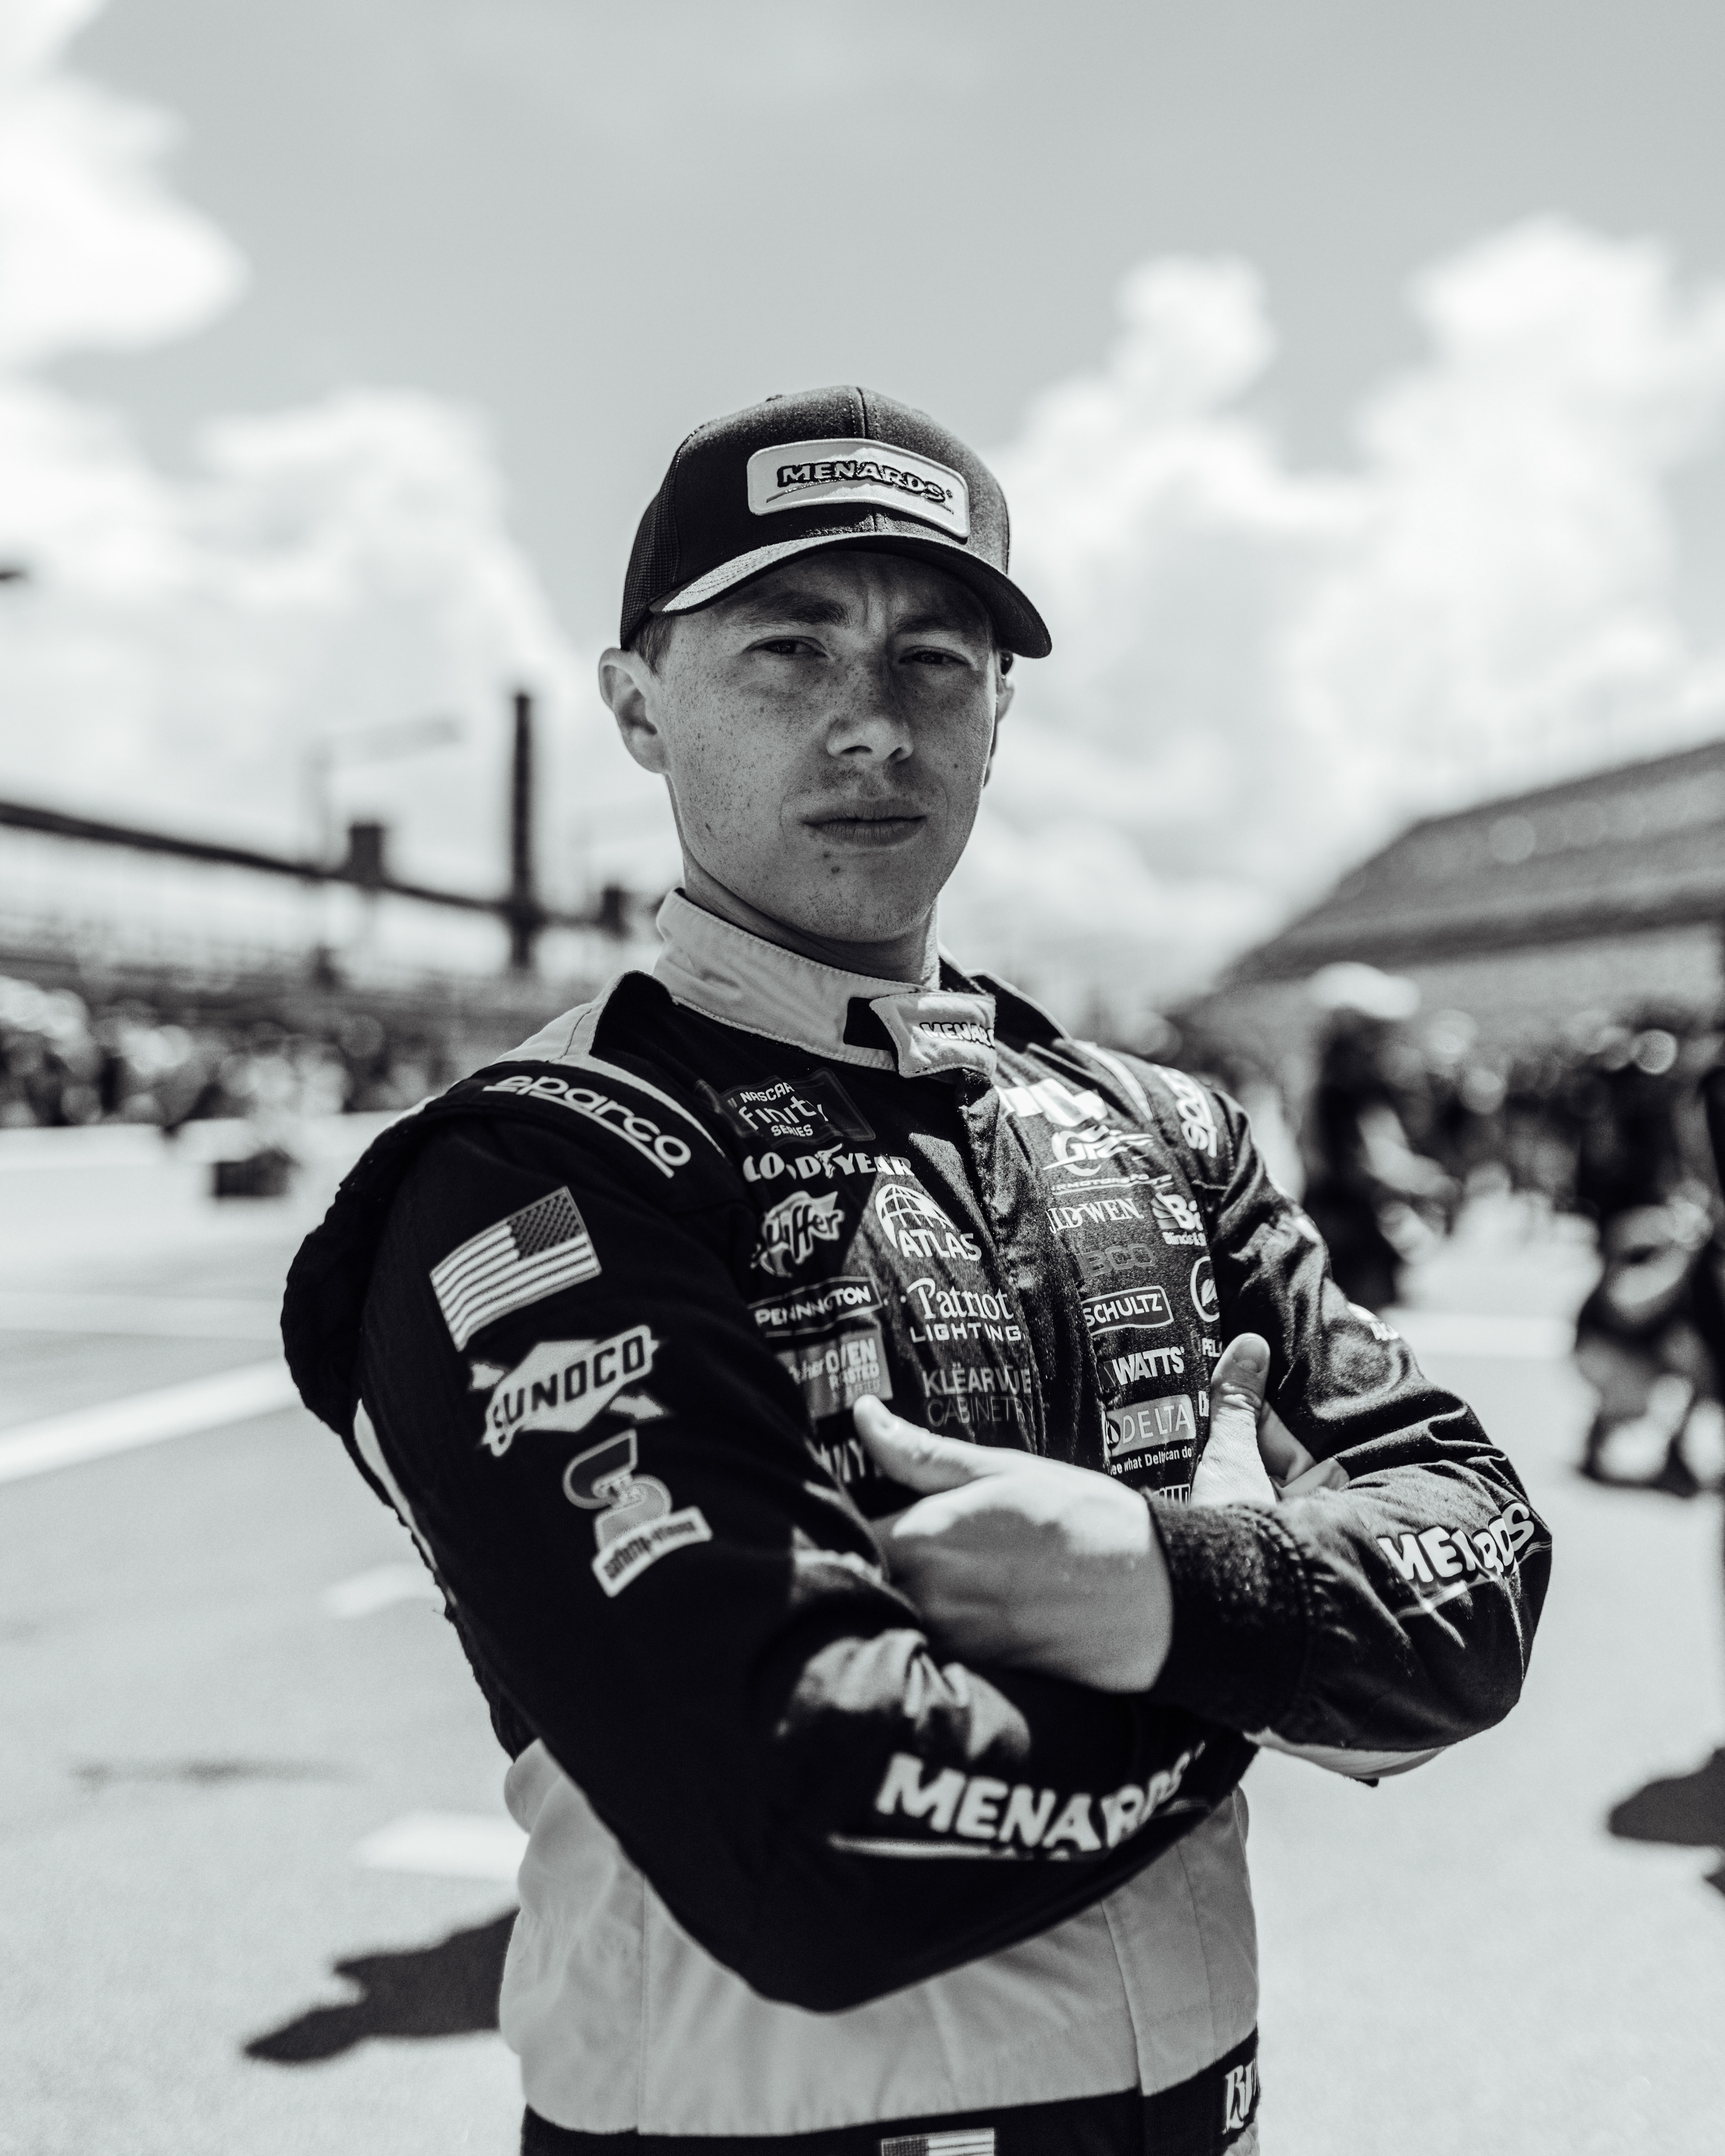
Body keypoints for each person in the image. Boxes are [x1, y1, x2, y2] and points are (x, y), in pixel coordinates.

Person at [283, 386, 1550, 2155]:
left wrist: (1173, 1587)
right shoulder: (539, 1167)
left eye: (934, 661)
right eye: (788, 651)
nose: (872, 722)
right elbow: (802, 1834)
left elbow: (1485, 1576)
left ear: (1000, 714)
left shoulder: (1162, 1125)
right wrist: (1244, 1633)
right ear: (637, 707)